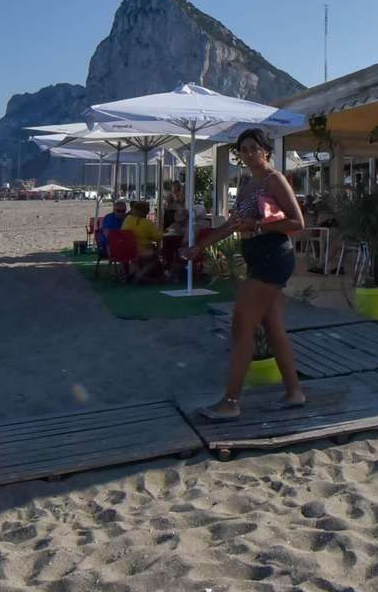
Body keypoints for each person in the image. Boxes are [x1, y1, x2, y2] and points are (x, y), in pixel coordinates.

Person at [181, 128, 305, 419]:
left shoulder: (274, 180)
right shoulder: (249, 181)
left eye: (253, 148)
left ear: (265, 150)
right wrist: (198, 246)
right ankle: (294, 392)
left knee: (241, 327)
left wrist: (257, 226)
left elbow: (297, 221)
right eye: (243, 149)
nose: (248, 153)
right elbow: (233, 225)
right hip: (259, 256)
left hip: (272, 256)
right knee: (274, 330)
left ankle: (230, 402)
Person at [121, 200, 165, 282]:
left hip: (126, 250)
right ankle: (140, 275)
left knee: (135, 258)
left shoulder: (128, 219)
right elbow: (158, 237)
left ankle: (131, 274)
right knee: (154, 256)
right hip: (140, 250)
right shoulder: (146, 223)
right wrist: (161, 228)